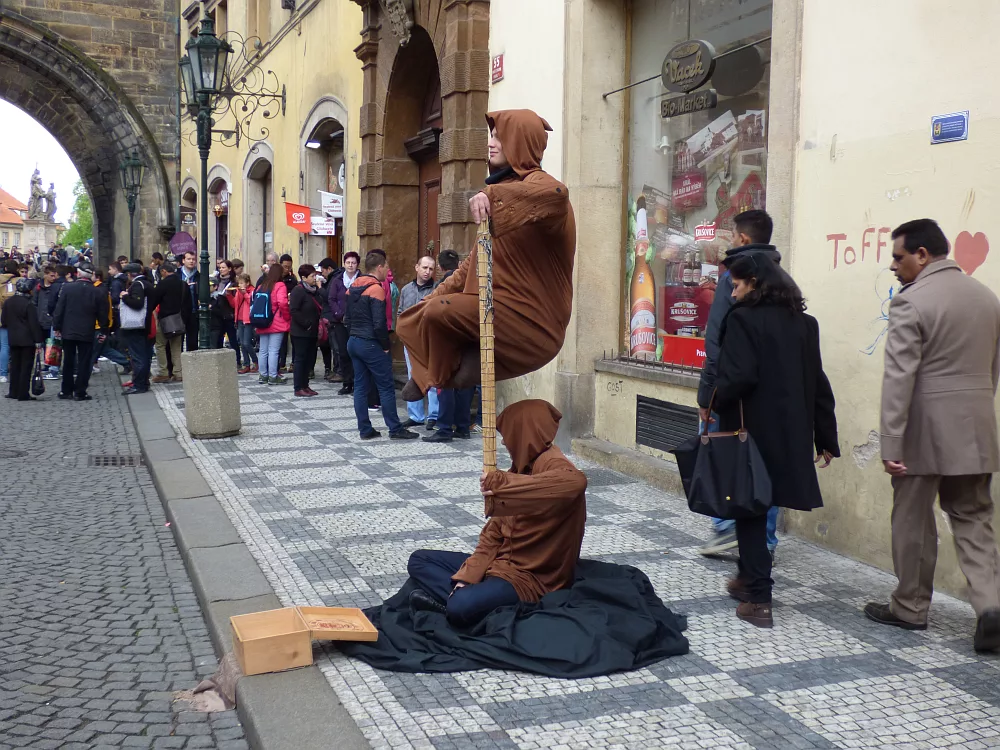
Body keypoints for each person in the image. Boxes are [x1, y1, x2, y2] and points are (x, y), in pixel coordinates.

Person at [864, 219, 1000, 653]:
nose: (893, 266)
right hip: (976, 427)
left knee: (913, 520)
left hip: (922, 431)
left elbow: (899, 378)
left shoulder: (912, 302)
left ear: (922, 254)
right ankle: (991, 608)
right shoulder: (987, 298)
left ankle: (910, 605)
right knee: (974, 517)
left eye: (898, 256)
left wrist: (891, 442)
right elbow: (992, 369)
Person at [397, 109, 576, 403]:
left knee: (437, 311)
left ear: (519, 142)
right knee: (416, 315)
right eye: (490, 136)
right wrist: (430, 296)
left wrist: (490, 196)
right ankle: (459, 365)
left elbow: (557, 194)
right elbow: (471, 264)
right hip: (498, 311)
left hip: (535, 322)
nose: (490, 143)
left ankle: (442, 372)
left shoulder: (543, 190)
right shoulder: (503, 192)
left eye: (499, 137)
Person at [713, 253, 839, 628]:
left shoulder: (743, 320)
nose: (733, 294)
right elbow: (818, 383)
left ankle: (758, 598)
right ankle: (747, 578)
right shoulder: (805, 324)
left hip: (750, 431)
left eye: (736, 285)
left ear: (753, 281)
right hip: (792, 433)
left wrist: (714, 400)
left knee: (749, 510)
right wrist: (825, 437)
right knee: (757, 508)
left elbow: (738, 378)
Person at [407, 399, 587, 626]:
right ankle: (461, 595)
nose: (503, 442)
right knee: (418, 559)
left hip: (529, 578)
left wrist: (507, 483)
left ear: (523, 433)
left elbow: (577, 481)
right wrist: (468, 576)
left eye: (508, 433)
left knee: (461, 607)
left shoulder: (555, 465)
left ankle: (454, 601)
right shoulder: (521, 467)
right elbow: (492, 536)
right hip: (499, 564)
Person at [696, 210, 783, 558]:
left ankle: (726, 528)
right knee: (763, 462)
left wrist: (708, 394)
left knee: (724, 454)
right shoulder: (780, 276)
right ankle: (765, 538)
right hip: (770, 393)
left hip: (732, 389)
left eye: (731, 236)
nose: (729, 242)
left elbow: (715, 337)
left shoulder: (734, 276)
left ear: (744, 239)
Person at [345, 251, 418, 440]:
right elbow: (379, 324)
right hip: (370, 343)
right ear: (379, 267)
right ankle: (395, 428)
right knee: (385, 387)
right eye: (386, 266)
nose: (387, 270)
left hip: (354, 341)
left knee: (360, 387)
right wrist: (385, 346)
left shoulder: (353, 286)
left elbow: (347, 319)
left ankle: (365, 429)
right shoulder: (376, 289)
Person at [53, 261, 108, 401]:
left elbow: (59, 309)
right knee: (85, 361)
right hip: (87, 330)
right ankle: (80, 391)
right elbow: (103, 314)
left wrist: (57, 327)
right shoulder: (98, 291)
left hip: (69, 330)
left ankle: (66, 390)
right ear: (91, 276)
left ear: (78, 274)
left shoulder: (67, 288)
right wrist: (104, 331)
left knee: (69, 361)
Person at [398, 255, 439, 428]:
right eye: (424, 268)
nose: (427, 272)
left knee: (433, 378)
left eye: (430, 269)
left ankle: (434, 415)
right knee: (413, 376)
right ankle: (415, 415)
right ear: (417, 267)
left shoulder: (437, 289)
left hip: (430, 341)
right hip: (411, 342)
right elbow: (400, 312)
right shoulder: (406, 289)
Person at [1, 278, 45, 401]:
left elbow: (4, 321)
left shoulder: (8, 302)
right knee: (26, 367)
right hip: (27, 339)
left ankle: (13, 391)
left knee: (15, 365)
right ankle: (23, 393)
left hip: (13, 337)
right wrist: (38, 340)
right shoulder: (28, 304)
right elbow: (33, 324)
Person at [151, 262, 191, 383]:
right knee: (176, 347)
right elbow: (189, 304)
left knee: (160, 345)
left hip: (165, 319)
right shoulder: (183, 284)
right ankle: (178, 373)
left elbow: (154, 300)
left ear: (164, 271)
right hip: (178, 320)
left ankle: (163, 372)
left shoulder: (163, 284)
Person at [118, 263, 154, 395]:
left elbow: (137, 304)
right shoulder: (147, 283)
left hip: (136, 325)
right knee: (144, 355)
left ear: (129, 274)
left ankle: (139, 384)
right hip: (146, 324)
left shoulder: (138, 285)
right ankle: (143, 382)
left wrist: (124, 296)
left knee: (138, 356)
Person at [288, 264, 323, 397]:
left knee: (309, 359)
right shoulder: (298, 290)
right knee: (300, 359)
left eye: (315, 275)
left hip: (312, 332)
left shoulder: (314, 290)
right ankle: (298, 387)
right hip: (300, 332)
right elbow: (294, 310)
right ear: (303, 277)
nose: (315, 278)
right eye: (312, 276)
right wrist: (306, 324)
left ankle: (306, 385)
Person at [255, 263, 291, 385]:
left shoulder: (262, 285)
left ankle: (262, 375)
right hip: (276, 321)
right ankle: (273, 376)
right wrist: (287, 317)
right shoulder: (280, 285)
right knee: (274, 350)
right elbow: (282, 302)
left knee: (263, 350)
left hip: (262, 320)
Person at [328, 251, 359, 395]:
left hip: (357, 321)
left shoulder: (362, 279)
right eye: (348, 262)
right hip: (340, 322)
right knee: (343, 352)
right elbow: (331, 299)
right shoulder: (337, 280)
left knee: (357, 352)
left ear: (357, 264)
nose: (351, 265)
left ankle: (357, 382)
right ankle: (347, 382)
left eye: (353, 262)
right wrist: (338, 314)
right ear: (344, 264)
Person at [90, 269, 129, 374]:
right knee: (105, 350)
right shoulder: (101, 289)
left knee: (93, 351)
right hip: (101, 325)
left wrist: (104, 326)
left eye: (92, 275)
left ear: (97, 277)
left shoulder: (98, 289)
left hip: (98, 325)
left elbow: (102, 310)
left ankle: (84, 374)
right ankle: (128, 363)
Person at [31, 264, 60, 380]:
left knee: (52, 343)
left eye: (55, 276)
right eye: (52, 276)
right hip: (41, 319)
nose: (54, 278)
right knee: (43, 344)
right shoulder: (38, 287)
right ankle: (47, 364)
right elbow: (34, 303)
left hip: (52, 320)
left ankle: (52, 366)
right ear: (46, 275)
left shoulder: (56, 287)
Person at [211, 259, 241, 367]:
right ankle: (220, 362)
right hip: (218, 314)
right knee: (218, 339)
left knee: (232, 340)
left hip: (229, 314)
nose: (221, 269)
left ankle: (237, 361)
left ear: (229, 269)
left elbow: (235, 300)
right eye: (220, 268)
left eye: (223, 267)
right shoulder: (216, 281)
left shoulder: (234, 282)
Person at [316, 258, 339, 381]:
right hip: (329, 317)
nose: (322, 273)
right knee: (330, 345)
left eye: (323, 271)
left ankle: (338, 371)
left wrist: (320, 287)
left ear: (329, 269)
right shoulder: (332, 279)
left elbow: (329, 298)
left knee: (336, 346)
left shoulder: (335, 279)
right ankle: (335, 370)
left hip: (332, 317)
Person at [233, 273, 258, 375]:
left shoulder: (253, 291)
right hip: (239, 319)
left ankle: (255, 361)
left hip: (248, 320)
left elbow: (252, 303)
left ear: (247, 283)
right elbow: (235, 304)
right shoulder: (239, 291)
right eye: (239, 283)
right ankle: (246, 364)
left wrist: (245, 294)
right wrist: (234, 295)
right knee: (242, 344)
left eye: (242, 283)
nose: (240, 285)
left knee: (247, 343)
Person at [0, 259, 18, 384]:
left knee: (3, 346)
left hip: (0, 316)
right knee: (8, 346)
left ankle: (3, 373)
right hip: (13, 317)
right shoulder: (19, 282)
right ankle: (7, 372)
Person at [180, 251, 200, 351]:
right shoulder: (178, 274)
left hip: (193, 310)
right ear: (183, 261)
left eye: (193, 259)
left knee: (192, 340)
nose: (191, 261)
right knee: (179, 339)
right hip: (180, 311)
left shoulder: (197, 275)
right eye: (189, 259)